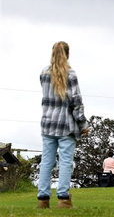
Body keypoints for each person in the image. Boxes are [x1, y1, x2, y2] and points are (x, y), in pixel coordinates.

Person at [37, 41, 89, 209]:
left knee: (46, 161)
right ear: (68, 55)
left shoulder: (44, 73)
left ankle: (43, 200)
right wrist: (83, 124)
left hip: (47, 124)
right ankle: (63, 199)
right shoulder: (71, 75)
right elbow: (76, 103)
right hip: (66, 126)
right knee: (66, 162)